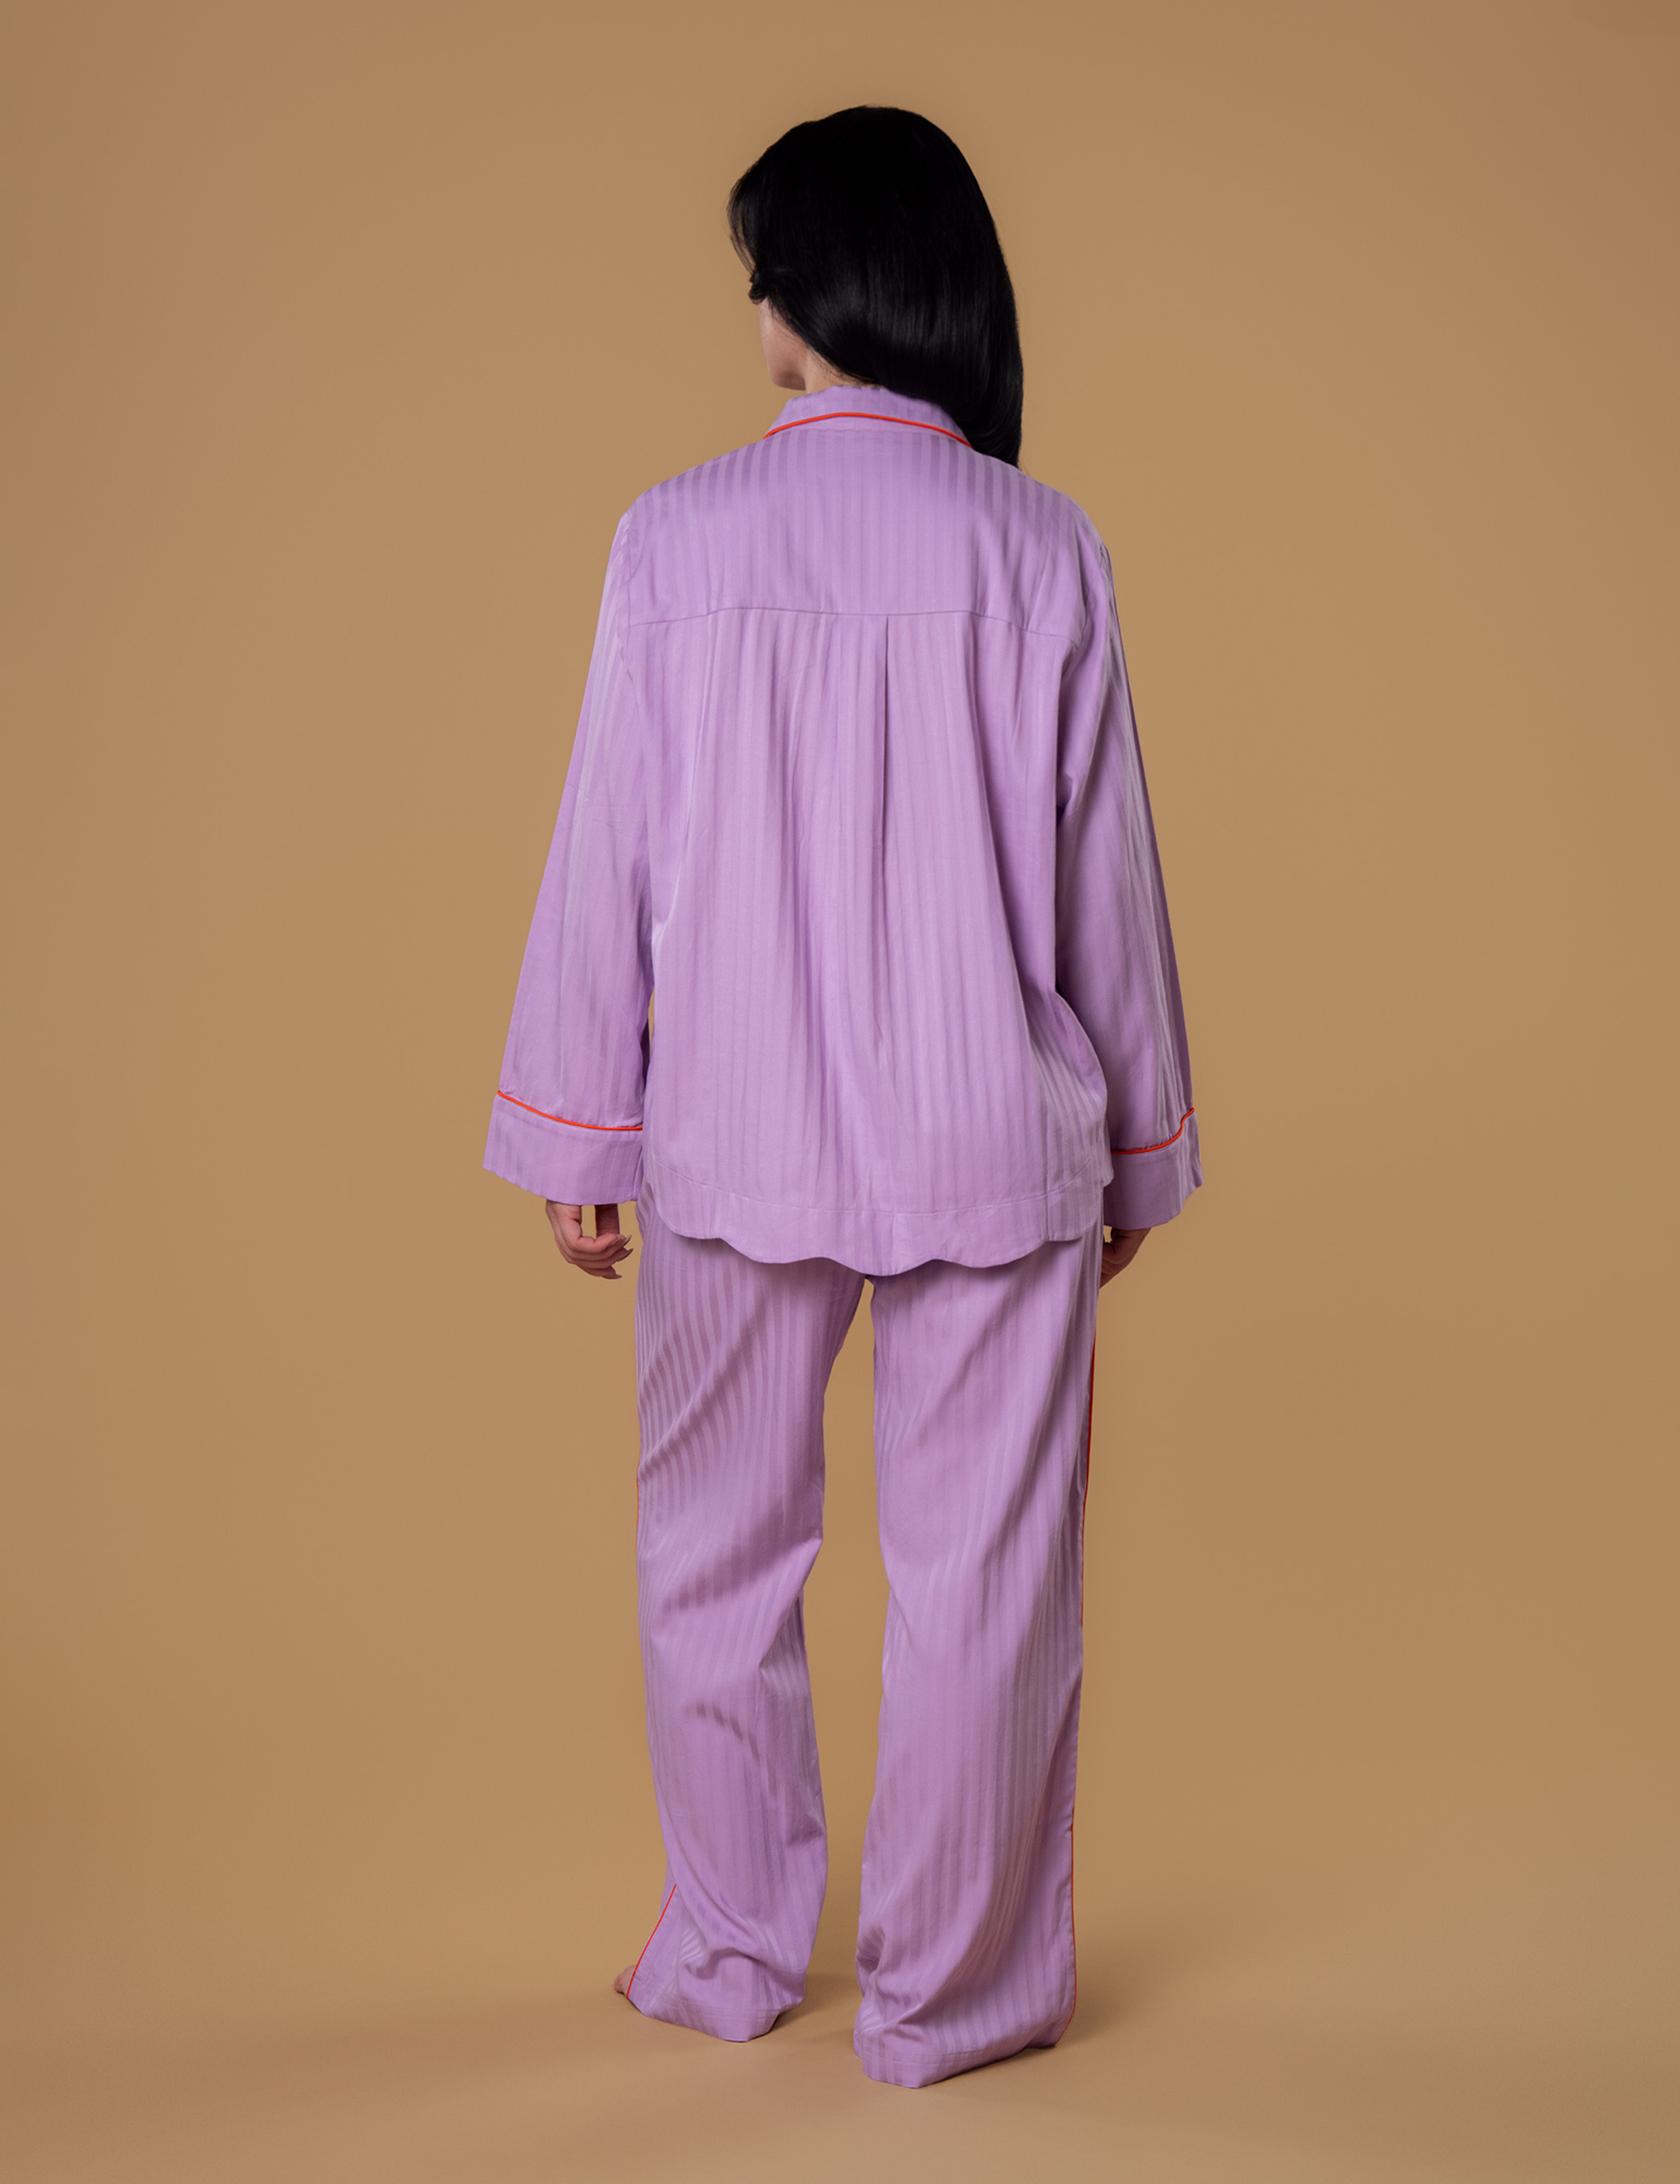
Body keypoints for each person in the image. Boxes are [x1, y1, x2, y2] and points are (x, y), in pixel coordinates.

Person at [482, 105, 1200, 2090]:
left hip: (732, 1124)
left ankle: (728, 1950)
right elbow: (1110, 884)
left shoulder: (674, 535)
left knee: (711, 1555)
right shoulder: (1042, 544)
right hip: (993, 1133)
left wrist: (579, 1124)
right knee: (987, 1583)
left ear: (804, 292)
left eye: (759, 277)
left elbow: (604, 850)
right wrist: (1138, 1152)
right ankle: (947, 2000)